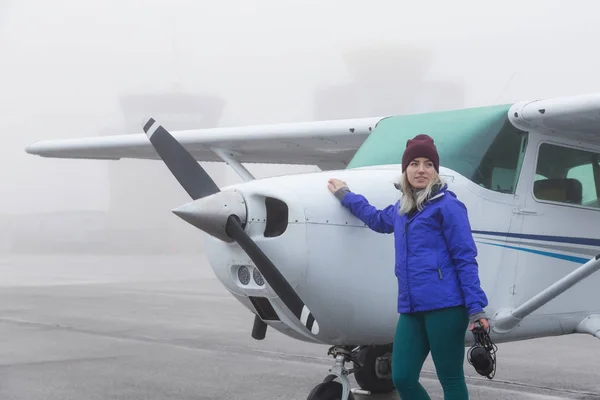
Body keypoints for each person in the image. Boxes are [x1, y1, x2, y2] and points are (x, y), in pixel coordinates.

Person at [327, 134, 489, 399]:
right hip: (411, 308)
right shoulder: (403, 208)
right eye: (414, 163)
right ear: (406, 170)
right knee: (402, 377)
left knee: (450, 378)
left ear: (436, 171)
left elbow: (465, 258)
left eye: (428, 164)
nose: (421, 169)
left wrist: (475, 308)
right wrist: (346, 196)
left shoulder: (448, 206)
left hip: (446, 307)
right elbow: (377, 219)